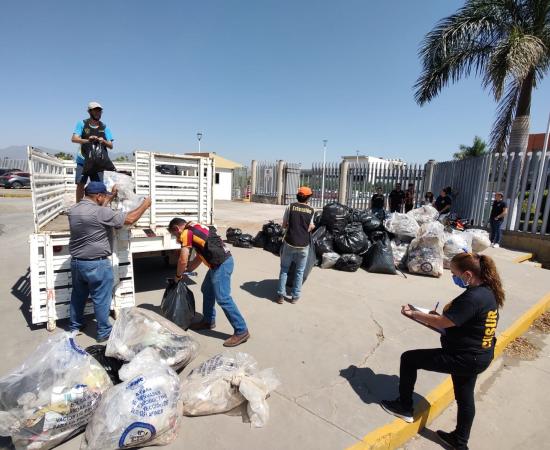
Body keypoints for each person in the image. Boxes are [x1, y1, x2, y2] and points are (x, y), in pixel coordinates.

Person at [381, 252, 504, 450]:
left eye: (454, 273)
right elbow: (458, 322)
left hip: (465, 357)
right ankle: (459, 442)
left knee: (409, 359)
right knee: (464, 397)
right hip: (479, 354)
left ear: (467, 275)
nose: (453, 277)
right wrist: (431, 318)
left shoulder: (473, 297)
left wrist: (414, 314)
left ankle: (404, 406)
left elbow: (445, 322)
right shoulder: (487, 291)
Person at [68, 181, 151, 341]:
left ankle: (75, 325)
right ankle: (103, 332)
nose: (105, 198)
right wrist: (145, 205)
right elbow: (129, 218)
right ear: (98, 196)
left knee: (78, 295)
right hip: (96, 264)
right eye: (104, 196)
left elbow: (98, 211)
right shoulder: (101, 213)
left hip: (77, 263)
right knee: (101, 299)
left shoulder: (74, 209)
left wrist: (111, 195)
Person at [168, 218, 250, 347]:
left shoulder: (186, 233)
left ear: (177, 229)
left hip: (221, 264)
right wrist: (188, 270)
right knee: (206, 289)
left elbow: (183, 259)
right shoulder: (196, 227)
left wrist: (178, 275)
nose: (177, 238)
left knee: (223, 298)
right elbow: (200, 256)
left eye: (175, 235)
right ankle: (208, 321)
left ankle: (241, 330)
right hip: (218, 263)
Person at [277, 186, 315, 304]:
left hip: (289, 242)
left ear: (297, 196)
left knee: (284, 269)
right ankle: (295, 297)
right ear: (308, 198)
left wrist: (290, 227)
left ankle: (280, 296)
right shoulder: (311, 210)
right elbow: (310, 227)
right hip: (304, 245)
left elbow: (284, 225)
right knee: (299, 271)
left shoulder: (290, 206)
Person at [71, 102, 114, 202]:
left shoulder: (105, 127)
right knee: (80, 184)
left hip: (98, 163)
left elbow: (111, 145)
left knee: (98, 187)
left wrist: (103, 141)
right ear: (89, 112)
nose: (98, 112)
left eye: (99, 111)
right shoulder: (82, 124)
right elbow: (74, 139)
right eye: (95, 110)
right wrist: (88, 140)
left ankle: (97, 210)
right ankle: (79, 207)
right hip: (83, 161)